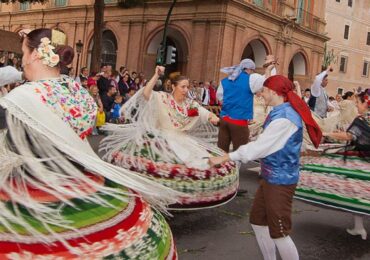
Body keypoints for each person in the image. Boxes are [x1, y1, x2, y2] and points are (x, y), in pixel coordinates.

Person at [0, 28, 178, 259]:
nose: (22, 59)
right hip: (78, 183)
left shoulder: (22, 99)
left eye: (24, 52)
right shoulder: (76, 90)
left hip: (34, 193)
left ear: (35, 55)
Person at [209, 75, 322, 260]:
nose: (261, 94)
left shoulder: (285, 118)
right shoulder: (280, 111)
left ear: (274, 92)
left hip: (280, 181)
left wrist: (227, 156)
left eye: (264, 90)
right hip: (270, 177)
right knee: (258, 222)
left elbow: (260, 148)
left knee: (279, 232)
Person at [100, 66, 239, 209]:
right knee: (155, 168)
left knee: (204, 164)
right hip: (161, 137)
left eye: (187, 87)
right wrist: (156, 75)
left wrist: (215, 119)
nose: (186, 90)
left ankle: (180, 197)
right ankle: (154, 198)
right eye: (183, 87)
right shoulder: (163, 97)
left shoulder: (189, 104)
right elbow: (146, 94)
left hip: (182, 139)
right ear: (173, 87)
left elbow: (204, 112)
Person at [296, 89, 369, 240]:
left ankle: (358, 227)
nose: (356, 105)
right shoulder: (365, 119)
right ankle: (358, 227)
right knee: (357, 194)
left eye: (358, 103)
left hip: (361, 160)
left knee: (343, 183)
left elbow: (350, 135)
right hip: (364, 158)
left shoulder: (361, 119)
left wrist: (327, 134)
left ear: (365, 103)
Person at [216, 58, 275, 152]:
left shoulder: (225, 80)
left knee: (221, 149)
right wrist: (268, 70)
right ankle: (234, 166)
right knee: (239, 151)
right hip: (239, 121)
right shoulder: (251, 79)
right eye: (252, 70)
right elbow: (267, 83)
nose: (252, 72)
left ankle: (221, 166)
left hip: (224, 119)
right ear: (249, 69)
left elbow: (221, 98)